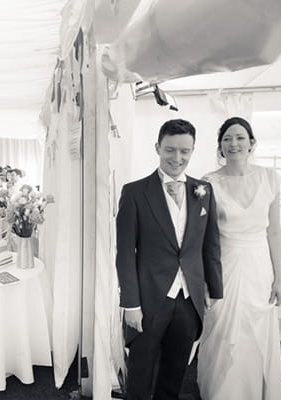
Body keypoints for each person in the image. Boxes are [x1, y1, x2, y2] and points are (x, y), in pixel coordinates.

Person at [197, 117, 281, 399]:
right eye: (227, 139)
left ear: (251, 143)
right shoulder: (208, 183)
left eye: (240, 137)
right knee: (222, 328)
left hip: (260, 265)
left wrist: (279, 278)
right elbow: (202, 238)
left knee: (258, 328)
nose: (233, 143)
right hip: (225, 264)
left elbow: (274, 231)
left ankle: (259, 388)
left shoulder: (269, 178)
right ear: (220, 147)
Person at [115, 119, 223, 400]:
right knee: (141, 371)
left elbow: (210, 244)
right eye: (170, 150)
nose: (178, 158)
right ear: (157, 148)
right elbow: (125, 253)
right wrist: (130, 304)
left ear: (193, 150)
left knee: (176, 371)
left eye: (185, 151)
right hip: (149, 299)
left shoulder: (204, 191)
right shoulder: (134, 192)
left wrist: (213, 290)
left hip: (189, 300)